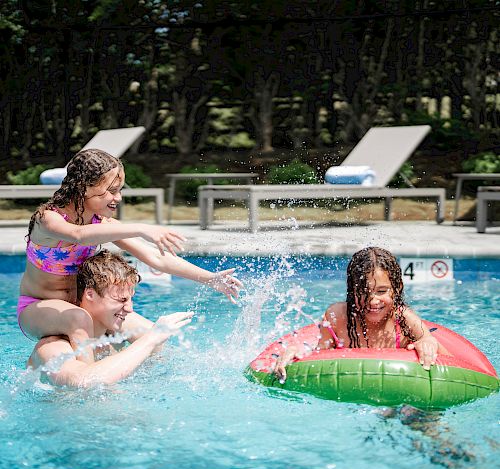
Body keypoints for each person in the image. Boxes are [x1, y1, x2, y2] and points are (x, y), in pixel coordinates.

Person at [18, 148, 241, 360]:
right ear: (85, 187)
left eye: (120, 190)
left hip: (82, 305)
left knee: (149, 335)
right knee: (78, 318)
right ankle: (86, 391)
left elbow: (155, 257)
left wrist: (210, 278)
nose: (119, 198)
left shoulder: (101, 223)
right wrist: (142, 228)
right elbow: (77, 234)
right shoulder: (48, 219)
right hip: (39, 306)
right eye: (112, 191)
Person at [274, 246, 450, 381]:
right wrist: (294, 352)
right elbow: (318, 355)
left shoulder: (404, 319)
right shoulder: (338, 317)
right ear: (352, 291)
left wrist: (427, 342)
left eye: (381, 291)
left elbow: (451, 361)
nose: (372, 301)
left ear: (396, 289)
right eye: (363, 292)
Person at [27, 250, 194, 387]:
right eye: (121, 300)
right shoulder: (52, 347)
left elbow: (164, 354)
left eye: (130, 299)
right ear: (90, 294)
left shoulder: (115, 331)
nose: (130, 308)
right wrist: (150, 339)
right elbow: (82, 382)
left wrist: (155, 340)